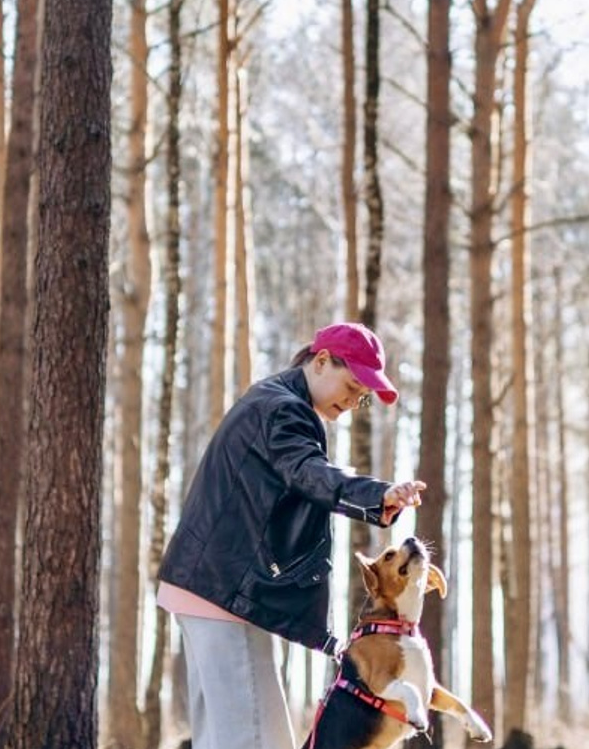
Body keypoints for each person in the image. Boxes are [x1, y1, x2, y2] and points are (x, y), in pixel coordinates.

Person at [157, 321, 425, 749]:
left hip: (209, 586)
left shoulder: (271, 400)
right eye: (352, 386)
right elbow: (309, 473)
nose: (354, 401)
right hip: (223, 590)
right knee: (253, 738)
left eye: (362, 398)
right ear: (321, 362)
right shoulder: (284, 410)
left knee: (233, 734)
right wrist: (379, 495)